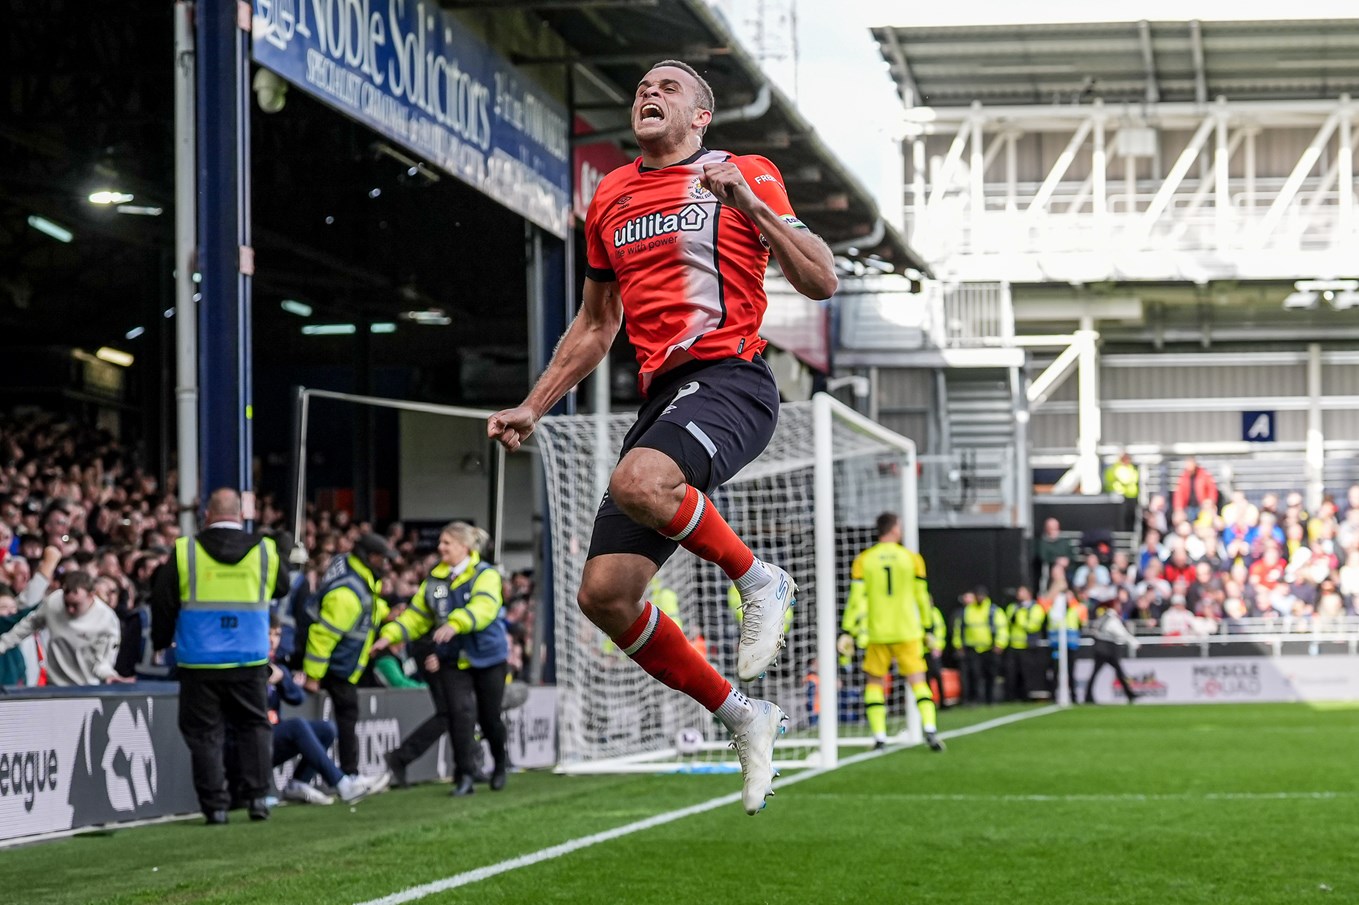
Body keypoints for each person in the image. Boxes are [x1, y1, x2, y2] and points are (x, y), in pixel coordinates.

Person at [486, 59, 837, 816]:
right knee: (604, 595)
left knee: (637, 481)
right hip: (662, 399)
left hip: (733, 379)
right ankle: (742, 713)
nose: (649, 92)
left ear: (702, 116)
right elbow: (595, 323)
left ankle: (759, 579)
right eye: (643, 86)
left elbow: (821, 279)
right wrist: (533, 404)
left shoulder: (741, 172)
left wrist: (749, 204)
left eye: (669, 87)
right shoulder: (609, 197)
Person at [150, 488, 289, 824]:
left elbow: (163, 601)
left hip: (199, 659)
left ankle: (215, 807)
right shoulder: (265, 551)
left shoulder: (185, 551)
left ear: (206, 515)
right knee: (254, 727)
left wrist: (161, 641)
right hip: (249, 657)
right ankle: (257, 798)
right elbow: (282, 587)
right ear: (241, 515)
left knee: (204, 734)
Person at [374, 522, 510, 796]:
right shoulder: (434, 580)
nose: (441, 548)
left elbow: (484, 607)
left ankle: (499, 764)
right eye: (441, 543)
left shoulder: (486, 575)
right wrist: (391, 634)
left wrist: (456, 623)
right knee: (459, 716)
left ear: (464, 547)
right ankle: (465, 775)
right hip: (451, 660)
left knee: (489, 718)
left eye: (447, 543)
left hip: (487, 658)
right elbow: (417, 616)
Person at [840, 513, 943, 751]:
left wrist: (848, 630)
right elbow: (922, 597)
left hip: (877, 632)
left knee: (875, 682)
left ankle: (879, 736)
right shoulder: (912, 559)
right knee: (918, 681)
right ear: (895, 529)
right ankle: (930, 728)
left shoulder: (864, 560)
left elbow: (856, 599)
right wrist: (928, 627)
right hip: (908, 631)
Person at [264, 614, 386, 805]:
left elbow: (297, 697)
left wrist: (282, 680)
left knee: (327, 729)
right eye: (268, 634)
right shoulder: (248, 668)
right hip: (245, 747)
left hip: (266, 743)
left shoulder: (276, 667)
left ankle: (298, 783)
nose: (273, 640)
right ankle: (342, 783)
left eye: (277, 634)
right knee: (296, 726)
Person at [303, 532, 396, 780]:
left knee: (346, 714)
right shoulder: (347, 593)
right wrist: (313, 676)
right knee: (346, 714)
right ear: (368, 557)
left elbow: (368, 608)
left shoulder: (357, 577)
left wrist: (387, 613)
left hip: (343, 662)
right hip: (337, 665)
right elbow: (322, 637)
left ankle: (347, 773)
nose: (385, 565)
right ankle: (349, 774)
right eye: (381, 558)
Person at [0, 570, 124, 686]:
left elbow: (103, 663)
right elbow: (28, 625)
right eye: (67, 604)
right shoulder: (54, 602)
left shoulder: (108, 621)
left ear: (91, 595)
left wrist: (109, 675)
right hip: (54, 684)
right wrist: (3, 643)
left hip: (87, 686)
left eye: (76, 605)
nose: (70, 609)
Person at [952, 587, 1006, 705]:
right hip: (972, 648)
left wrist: (1000, 644)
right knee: (974, 674)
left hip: (990, 648)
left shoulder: (993, 610)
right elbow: (959, 629)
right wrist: (958, 645)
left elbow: (1002, 628)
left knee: (990, 675)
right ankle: (975, 698)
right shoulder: (968, 610)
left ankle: (990, 699)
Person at [1086, 600, 1140, 704]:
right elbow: (1121, 633)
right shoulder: (1112, 619)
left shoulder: (1103, 617)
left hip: (1100, 648)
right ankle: (1130, 694)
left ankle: (1088, 696)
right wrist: (1134, 642)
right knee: (1119, 671)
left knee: (1100, 673)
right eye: (1118, 604)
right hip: (1108, 650)